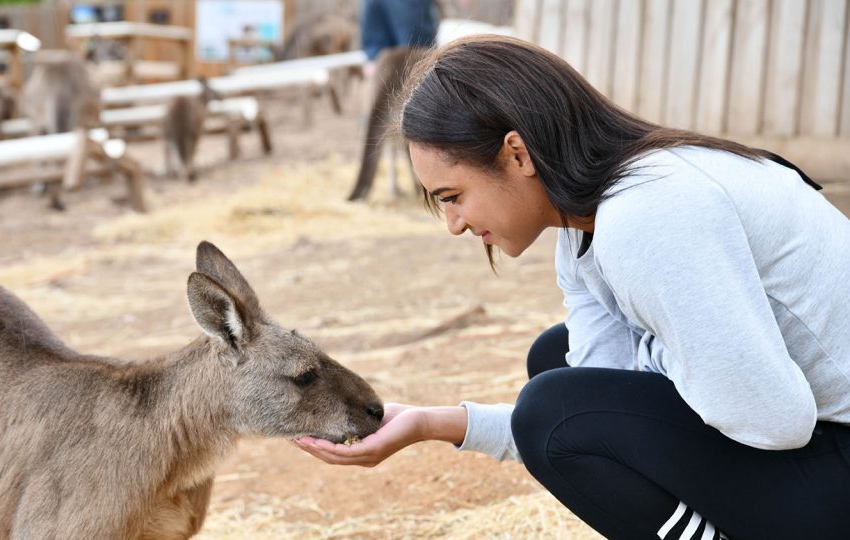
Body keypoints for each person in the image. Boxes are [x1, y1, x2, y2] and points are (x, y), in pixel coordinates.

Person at [293, 35, 850, 540]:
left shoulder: (649, 216)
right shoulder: (587, 230)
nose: (454, 225)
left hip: (831, 455)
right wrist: (432, 423)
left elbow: (775, 420)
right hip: (816, 449)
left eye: (453, 196)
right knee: (555, 363)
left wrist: (656, 353)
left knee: (555, 403)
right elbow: (586, 420)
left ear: (517, 154)